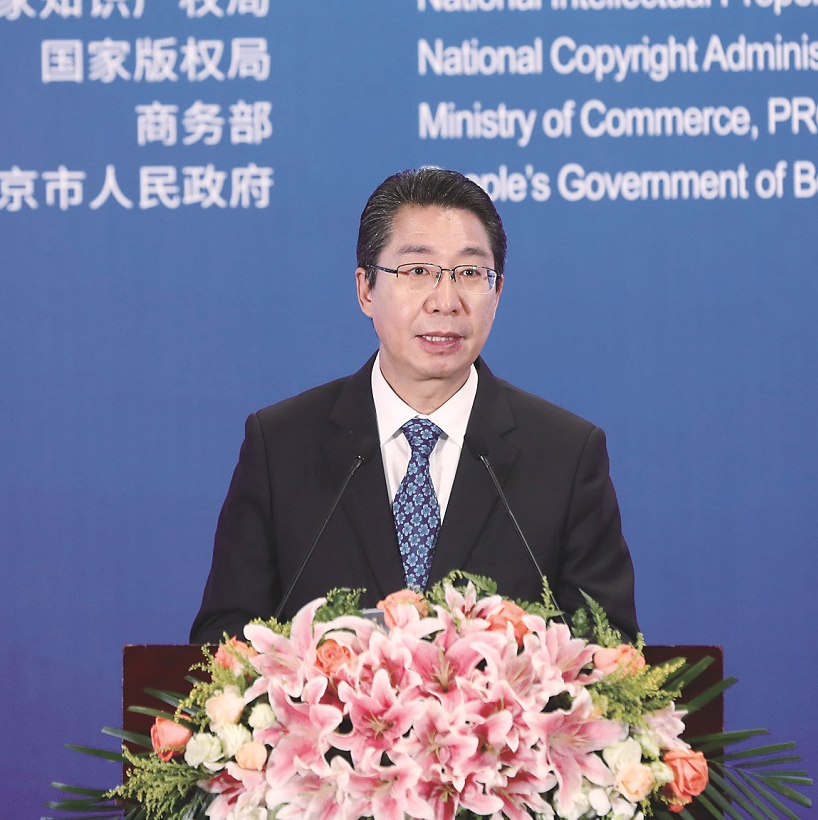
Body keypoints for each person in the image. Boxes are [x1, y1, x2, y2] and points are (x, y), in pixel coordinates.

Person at [190, 167, 637, 644]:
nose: (445, 301)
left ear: (497, 292)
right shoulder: (280, 447)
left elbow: (609, 652)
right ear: (366, 289)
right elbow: (224, 643)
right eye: (418, 271)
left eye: (470, 273)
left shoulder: (566, 456)